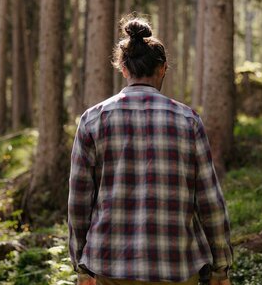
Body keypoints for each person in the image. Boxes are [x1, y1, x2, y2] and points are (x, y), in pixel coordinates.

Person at [68, 18, 233, 285]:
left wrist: (81, 265)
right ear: (163, 68)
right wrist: (221, 268)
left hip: (109, 266)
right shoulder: (188, 120)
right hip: (177, 266)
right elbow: (209, 201)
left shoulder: (93, 119)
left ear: (123, 68)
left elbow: (78, 202)